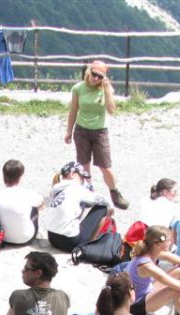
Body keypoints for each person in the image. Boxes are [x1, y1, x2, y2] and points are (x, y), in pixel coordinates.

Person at [64, 60, 129, 209]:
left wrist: (106, 90)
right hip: (81, 130)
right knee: (83, 164)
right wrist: (69, 130)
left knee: (105, 165)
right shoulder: (78, 89)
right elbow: (73, 110)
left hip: (100, 131)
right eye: (94, 75)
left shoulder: (105, 89)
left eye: (100, 77)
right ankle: (88, 192)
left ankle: (114, 193)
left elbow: (112, 110)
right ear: (89, 71)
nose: (96, 79)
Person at [127, 225, 180, 315]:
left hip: (146, 290)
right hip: (136, 303)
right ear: (158, 244)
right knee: (176, 291)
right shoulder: (147, 266)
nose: (171, 243)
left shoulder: (153, 251)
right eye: (168, 240)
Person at [44, 161, 112, 252]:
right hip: (70, 243)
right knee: (102, 207)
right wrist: (111, 208)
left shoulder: (55, 190)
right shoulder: (76, 188)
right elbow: (104, 200)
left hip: (52, 238)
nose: (83, 181)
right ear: (72, 174)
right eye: (82, 177)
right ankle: (90, 246)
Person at [0, 159, 44, 245]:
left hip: (4, 238)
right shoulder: (28, 193)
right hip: (26, 239)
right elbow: (41, 203)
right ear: (21, 176)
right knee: (34, 207)